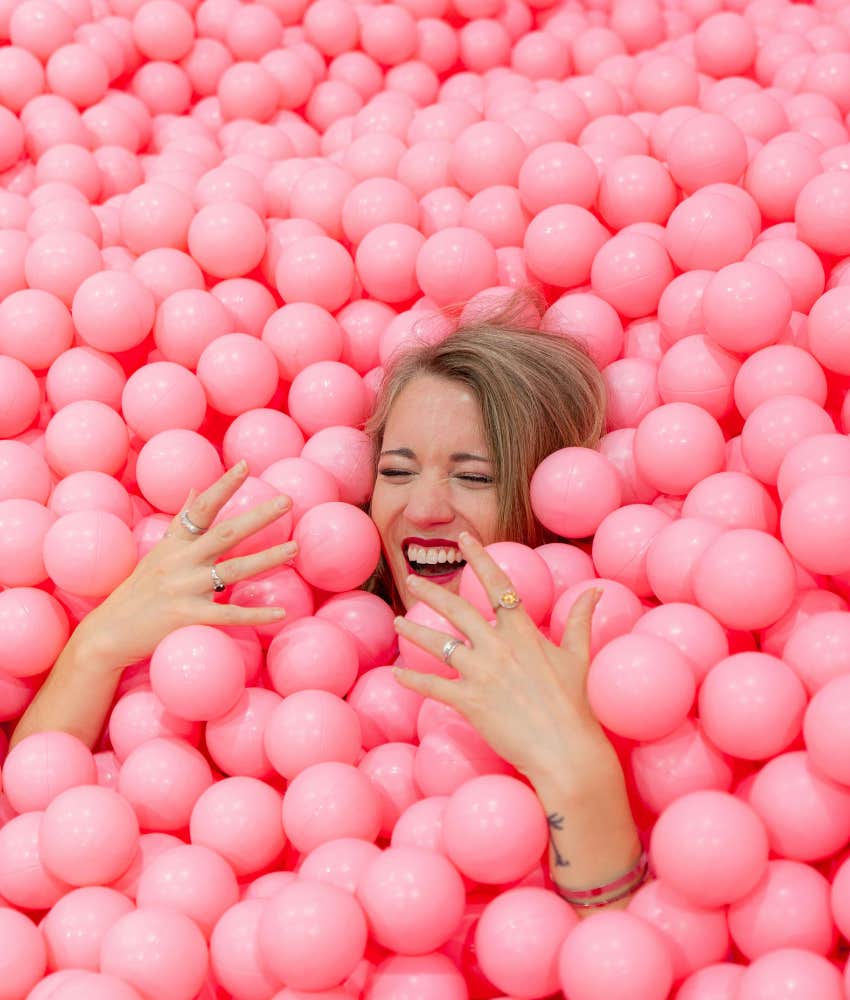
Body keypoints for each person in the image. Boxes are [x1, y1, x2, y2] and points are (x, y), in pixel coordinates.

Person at [12, 299, 648, 914]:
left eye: (474, 476)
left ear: (553, 497)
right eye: (397, 472)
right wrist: (99, 645)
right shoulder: (276, 627)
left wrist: (574, 768)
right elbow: (28, 834)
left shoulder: (594, 671)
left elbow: (612, 963)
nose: (422, 510)